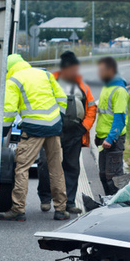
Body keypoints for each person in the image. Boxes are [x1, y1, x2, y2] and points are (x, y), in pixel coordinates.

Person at [0, 54, 70, 222]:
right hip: (53, 127)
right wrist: (59, 120)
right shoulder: (45, 74)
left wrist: (1, 132)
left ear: (9, 68)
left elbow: (9, 111)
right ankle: (61, 209)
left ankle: (18, 210)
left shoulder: (13, 80)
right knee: (56, 169)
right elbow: (62, 98)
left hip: (33, 130)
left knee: (22, 168)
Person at [37, 51, 97, 214]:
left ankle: (69, 202)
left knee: (71, 167)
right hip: (53, 130)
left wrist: (83, 128)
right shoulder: (51, 82)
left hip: (75, 133)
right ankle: (45, 197)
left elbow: (91, 108)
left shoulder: (83, 86)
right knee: (45, 164)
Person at [94, 56, 129, 195]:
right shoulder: (107, 87)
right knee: (103, 175)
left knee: (114, 178)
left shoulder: (119, 90)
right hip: (103, 138)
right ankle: (108, 204)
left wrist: (111, 137)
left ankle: (117, 208)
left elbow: (119, 118)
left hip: (113, 140)